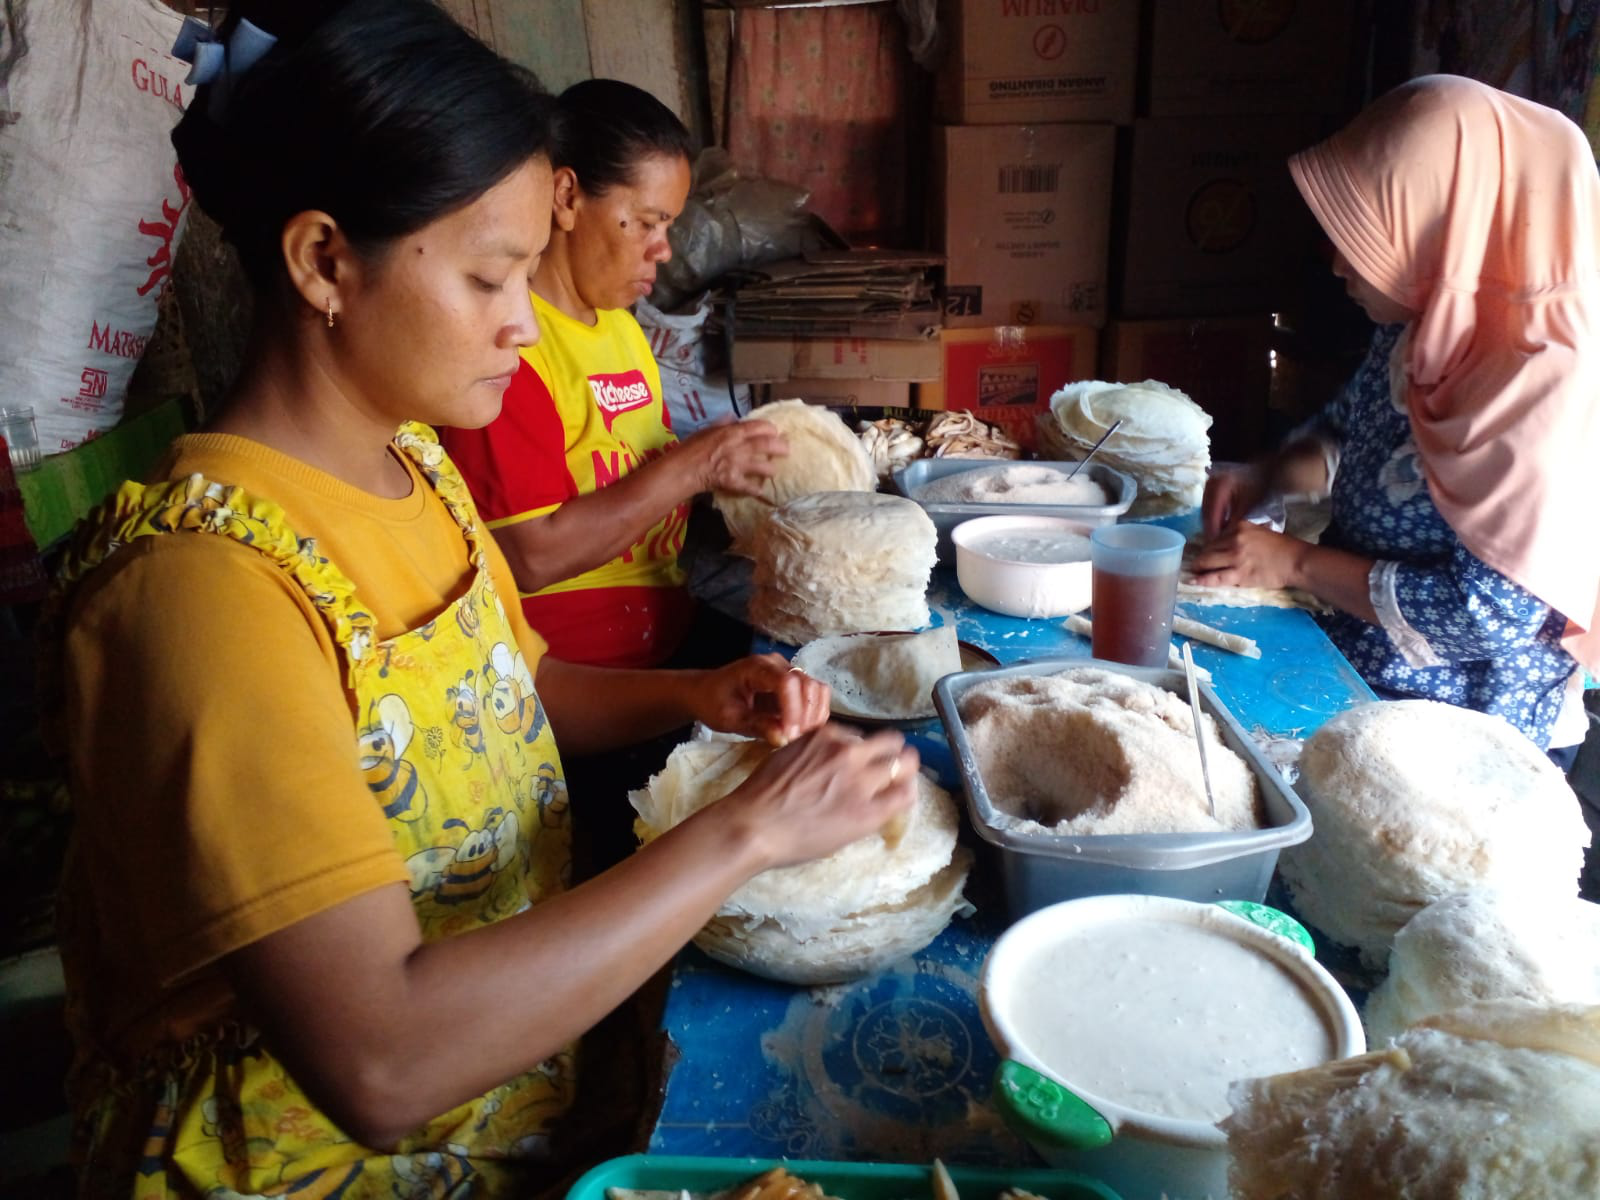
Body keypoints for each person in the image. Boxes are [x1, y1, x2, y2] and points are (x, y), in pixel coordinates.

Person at [49, 4, 917, 1197]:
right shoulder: (204, 591)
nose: (524, 320)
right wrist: (746, 833)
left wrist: (697, 693)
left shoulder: (412, 471)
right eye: (487, 276)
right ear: (322, 263)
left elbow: (523, 691)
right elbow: (380, 1061)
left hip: (518, 1081)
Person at [1193, 75, 1600, 762]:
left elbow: (1485, 614)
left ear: (1449, 230)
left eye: (1369, 235)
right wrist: (1270, 477)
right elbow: (1350, 430)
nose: (1338, 262)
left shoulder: (1543, 384)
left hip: (1463, 731)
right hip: (1357, 663)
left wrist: (1294, 560)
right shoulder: (1432, 321)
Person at [441, 79, 786, 672]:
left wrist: (726, 465)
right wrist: (695, 464)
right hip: (578, 671)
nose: (664, 250)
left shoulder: (623, 331)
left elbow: (636, 470)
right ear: (568, 197)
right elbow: (535, 556)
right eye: (648, 222)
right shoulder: (509, 350)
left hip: (666, 628)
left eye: (669, 227)